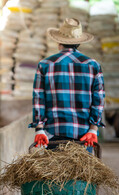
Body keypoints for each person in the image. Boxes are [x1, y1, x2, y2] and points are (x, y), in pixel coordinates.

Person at [29, 18, 105, 148]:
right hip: (84, 135)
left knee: (53, 168)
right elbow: (99, 101)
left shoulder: (45, 65)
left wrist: (39, 129)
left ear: (59, 41)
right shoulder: (93, 65)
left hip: (52, 134)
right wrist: (93, 129)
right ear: (79, 42)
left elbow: (38, 99)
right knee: (84, 169)